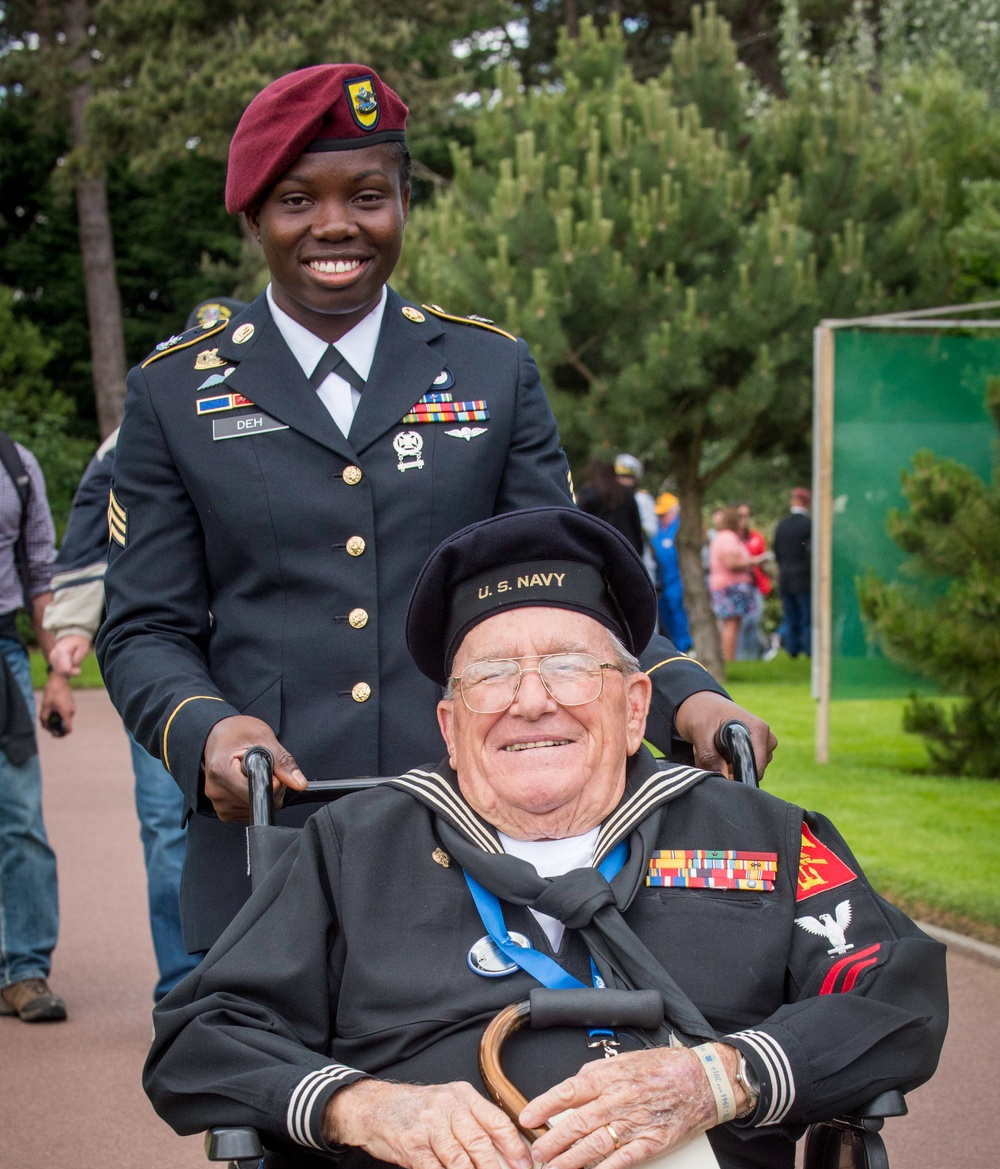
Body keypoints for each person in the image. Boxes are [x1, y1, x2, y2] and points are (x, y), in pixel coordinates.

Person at [145, 505, 947, 1169]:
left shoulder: (764, 834)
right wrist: (367, 1103)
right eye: (488, 675)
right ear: (448, 719)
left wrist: (721, 1072)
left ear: (632, 699)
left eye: (568, 666)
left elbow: (893, 989)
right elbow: (201, 1032)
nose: (530, 700)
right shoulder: (353, 848)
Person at [96, 63, 774, 954]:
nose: (336, 225)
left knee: (502, 1080)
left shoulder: (492, 371)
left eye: (368, 195)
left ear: (404, 202)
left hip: (487, 831)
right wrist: (207, 729)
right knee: (270, 1086)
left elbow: (575, 596)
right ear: (252, 215)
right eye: (298, 200)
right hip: (276, 834)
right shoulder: (175, 393)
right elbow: (143, 627)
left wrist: (687, 698)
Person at [45, 300, 245, 1000]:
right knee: (168, 824)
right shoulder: (146, 419)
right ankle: (185, 987)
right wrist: (72, 624)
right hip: (169, 661)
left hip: (253, 660)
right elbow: (88, 530)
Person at [0, 434, 74, 1021]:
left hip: (3, 652)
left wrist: (57, 673)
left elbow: (40, 573)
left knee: (19, 816)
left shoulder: (16, 465)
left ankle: (23, 969)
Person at [707, 506, 756, 663]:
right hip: (729, 586)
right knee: (731, 624)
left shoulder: (722, 536)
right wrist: (754, 561)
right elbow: (731, 562)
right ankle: (729, 660)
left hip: (724, 585)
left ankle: (729, 658)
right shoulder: (728, 537)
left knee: (730, 624)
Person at [577, 456, 644, 555]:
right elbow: (636, 527)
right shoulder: (626, 493)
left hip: (598, 551)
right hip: (626, 549)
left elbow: (580, 523)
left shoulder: (588, 493)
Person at [650, 488, 690, 652]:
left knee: (678, 613)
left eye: (664, 514)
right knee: (665, 614)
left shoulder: (680, 528)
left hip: (677, 579)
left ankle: (685, 646)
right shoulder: (658, 529)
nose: (661, 518)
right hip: (663, 581)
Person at [774, 486, 812, 658]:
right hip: (804, 577)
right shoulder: (809, 525)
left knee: (790, 617)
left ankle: (792, 650)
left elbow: (776, 551)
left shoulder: (782, 525)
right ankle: (807, 649)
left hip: (785, 577)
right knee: (806, 617)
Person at [734, 501, 773, 661]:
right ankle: (741, 658)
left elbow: (763, 564)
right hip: (737, 586)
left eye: (746, 516)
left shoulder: (755, 537)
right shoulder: (731, 538)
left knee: (754, 620)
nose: (744, 519)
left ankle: (756, 655)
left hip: (754, 584)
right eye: (740, 516)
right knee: (741, 624)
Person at [613, 453, 658, 586]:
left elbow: (651, 530)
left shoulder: (642, 500)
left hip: (639, 559)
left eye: (628, 477)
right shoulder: (609, 499)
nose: (623, 481)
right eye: (620, 476)